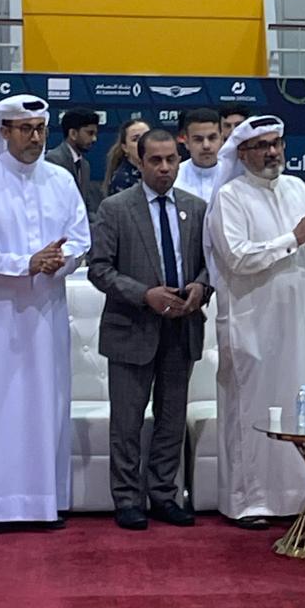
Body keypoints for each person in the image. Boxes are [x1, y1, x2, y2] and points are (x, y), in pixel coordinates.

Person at [0, 95, 90, 527]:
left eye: (41, 128)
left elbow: (81, 238)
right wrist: (25, 264)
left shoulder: (61, 180)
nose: (35, 138)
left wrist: (60, 262)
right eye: (26, 129)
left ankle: (41, 502)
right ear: (3, 131)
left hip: (45, 314)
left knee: (43, 404)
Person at [205, 116, 305, 528]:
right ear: (242, 153)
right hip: (253, 324)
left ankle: (300, 497)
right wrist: (295, 237)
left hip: (300, 321)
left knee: (299, 404)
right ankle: (250, 501)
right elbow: (238, 257)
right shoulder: (230, 196)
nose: (273, 152)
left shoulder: (297, 187)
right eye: (262, 145)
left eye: (277, 143)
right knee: (253, 409)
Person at [88, 129, 211, 530]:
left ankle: (163, 495)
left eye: (171, 160)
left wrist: (200, 287)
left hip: (182, 327)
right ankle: (127, 499)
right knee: (127, 422)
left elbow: (210, 264)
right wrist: (144, 295)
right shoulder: (115, 208)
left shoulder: (197, 208)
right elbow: (99, 269)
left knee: (171, 420)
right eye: (155, 160)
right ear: (139, 162)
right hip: (131, 327)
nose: (164, 168)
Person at [46, 109, 100, 217]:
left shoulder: (85, 165)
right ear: (73, 134)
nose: (94, 139)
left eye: (95, 134)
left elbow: (85, 204)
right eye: (90, 133)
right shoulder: (53, 161)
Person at [175, 107, 223, 203]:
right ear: (186, 142)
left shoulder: (234, 175)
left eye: (212, 138)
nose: (206, 146)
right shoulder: (174, 178)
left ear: (221, 139)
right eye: (198, 139)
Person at [104, 117, 150, 196]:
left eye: (147, 137)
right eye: (135, 139)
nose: (143, 143)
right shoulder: (122, 180)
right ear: (125, 147)